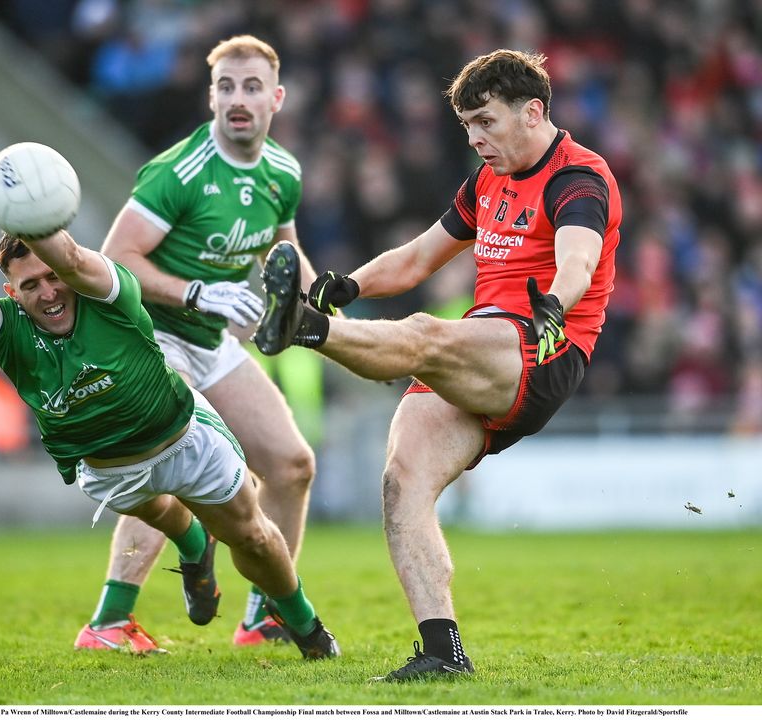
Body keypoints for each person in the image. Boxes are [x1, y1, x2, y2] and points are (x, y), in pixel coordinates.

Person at [0, 153, 340, 661]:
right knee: (162, 511)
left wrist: (20, 215)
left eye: (51, 277)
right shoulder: (8, 331)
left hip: (185, 441)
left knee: (250, 536)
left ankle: (303, 623)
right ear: (12, 292)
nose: (49, 291)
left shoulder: (107, 292)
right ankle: (192, 548)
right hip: (106, 471)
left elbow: (71, 260)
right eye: (30, 286)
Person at [253, 49, 621, 681]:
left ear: (532, 113)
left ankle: (305, 330)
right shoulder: (487, 182)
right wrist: (347, 285)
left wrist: (553, 307)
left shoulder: (578, 179)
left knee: (424, 334)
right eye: (468, 126)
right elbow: (420, 255)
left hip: (542, 345)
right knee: (403, 480)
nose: (476, 138)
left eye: (486, 121)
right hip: (487, 348)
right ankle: (441, 651)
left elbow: (578, 263)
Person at [81, 34, 324, 652]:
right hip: (149, 333)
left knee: (292, 466)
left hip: (210, 338)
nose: (237, 99)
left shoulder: (283, 172)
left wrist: (325, 307)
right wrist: (196, 292)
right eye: (225, 87)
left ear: (276, 98)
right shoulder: (179, 171)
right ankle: (108, 624)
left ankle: (265, 613)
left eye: (250, 87)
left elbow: (286, 252)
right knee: (171, 461)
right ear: (210, 97)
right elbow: (116, 260)